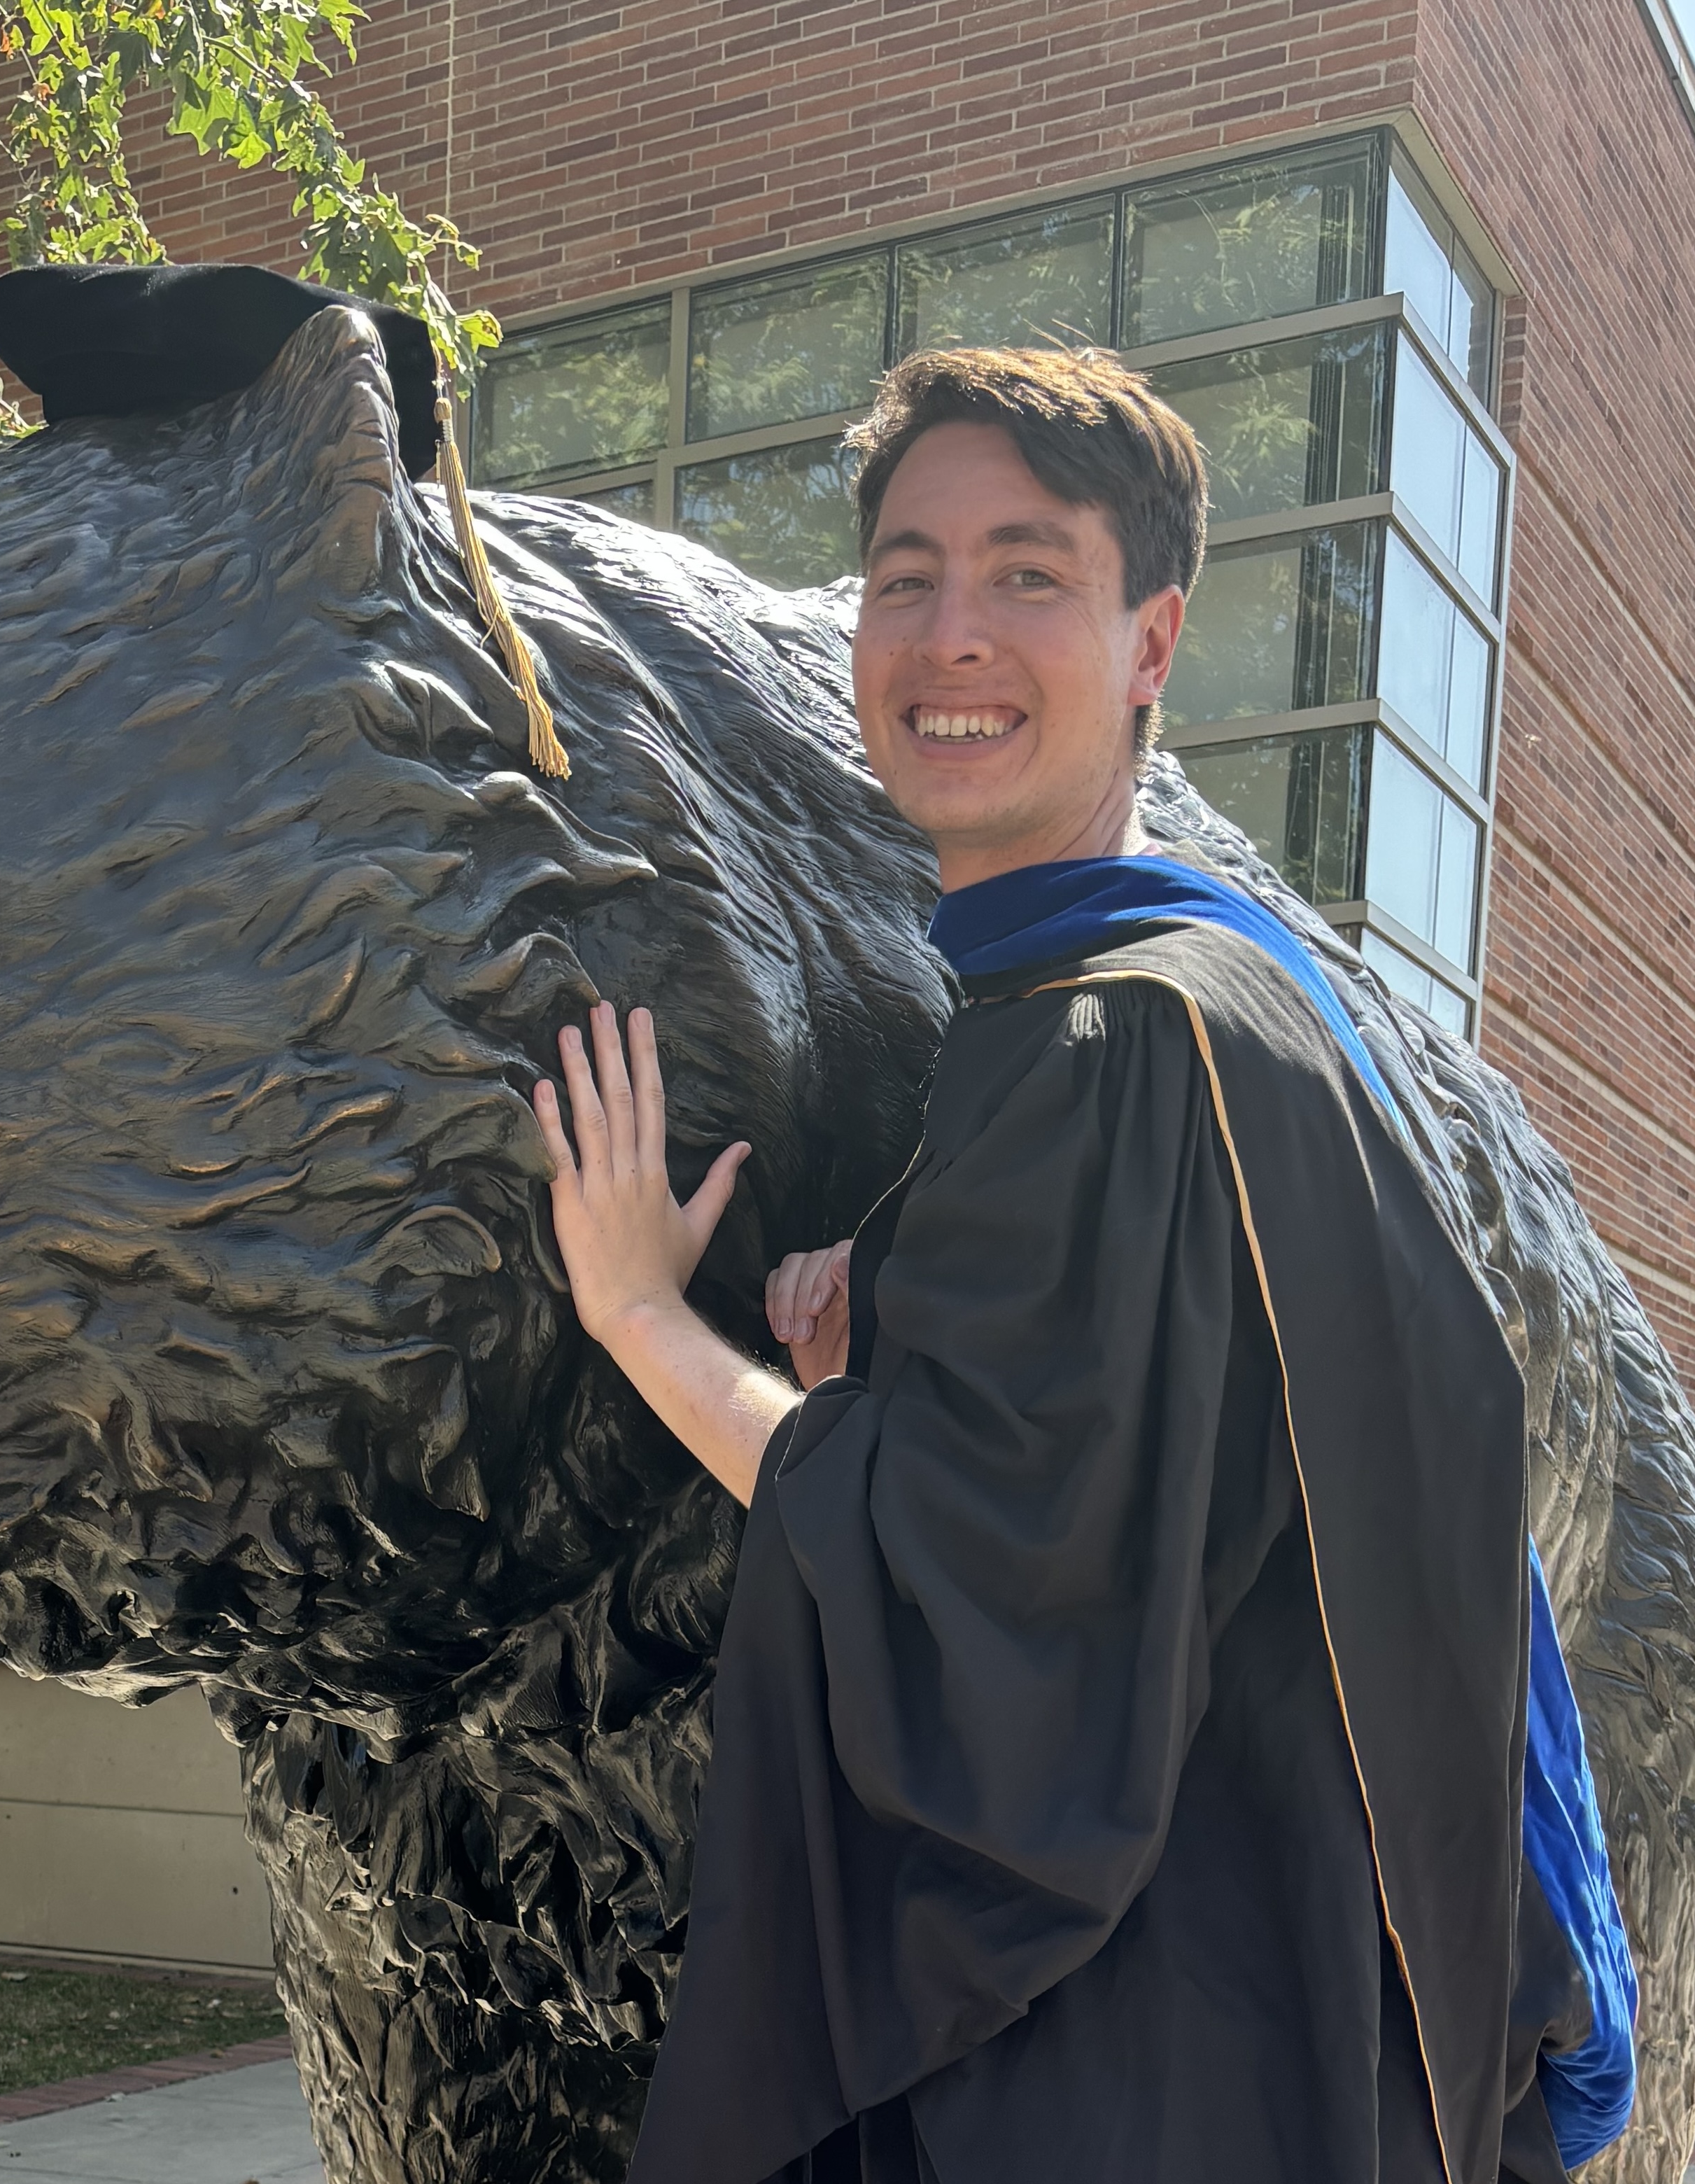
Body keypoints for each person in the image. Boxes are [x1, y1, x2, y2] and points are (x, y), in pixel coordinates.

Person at [527, 349, 1636, 2184]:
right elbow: (1146, 1498)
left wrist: (640, 1309)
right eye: (905, 575)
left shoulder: (1104, 1054)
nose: (949, 633)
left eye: (1028, 573)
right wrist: (895, 1367)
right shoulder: (1244, 1005)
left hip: (1142, 2069)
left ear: (1148, 643)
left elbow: (990, 1624)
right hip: (1291, 2019)